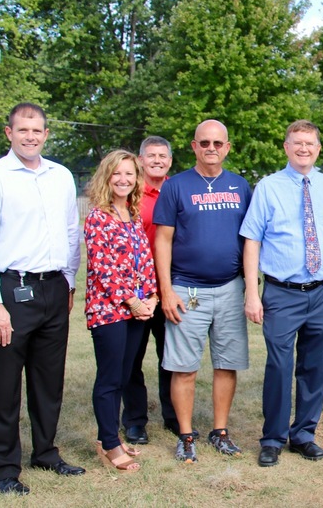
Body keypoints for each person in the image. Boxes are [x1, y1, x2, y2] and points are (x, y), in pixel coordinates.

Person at [0, 103, 84, 495]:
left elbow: (71, 231)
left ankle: (46, 452)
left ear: (46, 134)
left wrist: (68, 282)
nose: (30, 136)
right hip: (10, 292)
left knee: (48, 380)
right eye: (23, 130)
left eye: (37, 130)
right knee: (3, 383)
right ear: (8, 133)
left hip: (53, 288)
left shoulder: (60, 177)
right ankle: (2, 468)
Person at [241, 119, 323, 467]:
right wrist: (252, 292)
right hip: (282, 292)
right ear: (286, 148)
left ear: (318, 149)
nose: (303, 148)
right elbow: (252, 240)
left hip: (322, 291)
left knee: (316, 365)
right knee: (279, 364)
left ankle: (304, 433)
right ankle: (273, 438)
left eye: (310, 143)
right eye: (297, 143)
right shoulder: (268, 188)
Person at [152, 119, 251, 463]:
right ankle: (186, 434)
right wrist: (166, 290)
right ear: (193, 146)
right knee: (184, 367)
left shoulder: (240, 187)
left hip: (229, 288)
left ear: (227, 147)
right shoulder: (176, 186)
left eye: (217, 143)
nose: (211, 148)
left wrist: (250, 289)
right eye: (204, 143)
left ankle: (220, 431)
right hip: (186, 289)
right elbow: (162, 240)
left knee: (227, 363)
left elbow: (250, 241)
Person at [84, 149, 158, 472]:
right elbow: (105, 269)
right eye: (117, 174)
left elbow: (145, 260)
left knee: (125, 375)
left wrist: (152, 297)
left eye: (129, 174)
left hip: (138, 311)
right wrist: (133, 301)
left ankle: (109, 436)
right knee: (110, 379)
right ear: (107, 176)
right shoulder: (97, 217)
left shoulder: (132, 214)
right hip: (109, 311)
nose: (124, 180)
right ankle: (110, 444)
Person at [121, 136, 183, 444]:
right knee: (131, 357)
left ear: (170, 161)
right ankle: (134, 420)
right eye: (151, 155)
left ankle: (173, 415)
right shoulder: (129, 193)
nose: (157, 160)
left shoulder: (178, 190)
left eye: (163, 155)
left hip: (169, 288)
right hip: (137, 293)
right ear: (141, 160)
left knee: (170, 356)